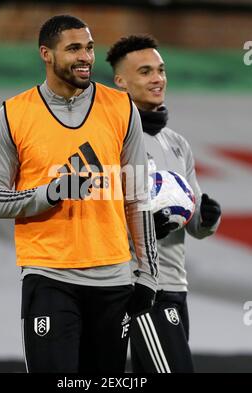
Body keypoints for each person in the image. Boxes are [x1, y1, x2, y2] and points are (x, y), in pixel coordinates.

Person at [0, 16, 159, 373]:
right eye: (74, 48)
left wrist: (148, 273)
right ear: (46, 54)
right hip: (49, 276)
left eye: (90, 47)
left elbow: (137, 196)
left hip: (114, 280)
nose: (86, 57)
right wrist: (51, 193)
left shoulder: (122, 108)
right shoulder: (14, 114)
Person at [106, 35, 221, 373]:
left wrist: (207, 216)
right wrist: (140, 226)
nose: (158, 79)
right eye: (145, 72)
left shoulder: (177, 144)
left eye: (161, 70)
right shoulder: (110, 138)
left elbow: (196, 225)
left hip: (174, 282)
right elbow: (94, 209)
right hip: (139, 283)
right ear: (121, 82)